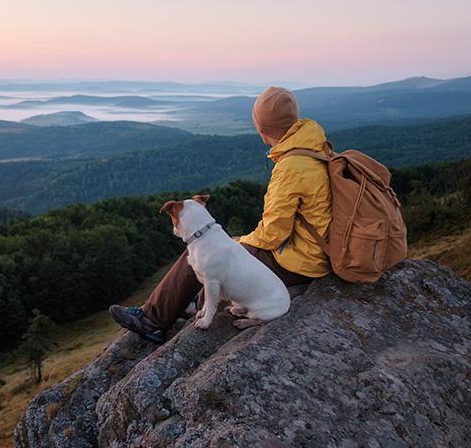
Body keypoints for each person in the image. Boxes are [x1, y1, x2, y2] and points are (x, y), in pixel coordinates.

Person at [109, 86, 333, 343]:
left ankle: (152, 320)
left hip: (302, 261)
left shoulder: (292, 167)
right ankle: (197, 303)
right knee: (218, 248)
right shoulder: (315, 144)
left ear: (262, 128)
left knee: (206, 247)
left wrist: (237, 242)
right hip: (315, 251)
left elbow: (273, 235)